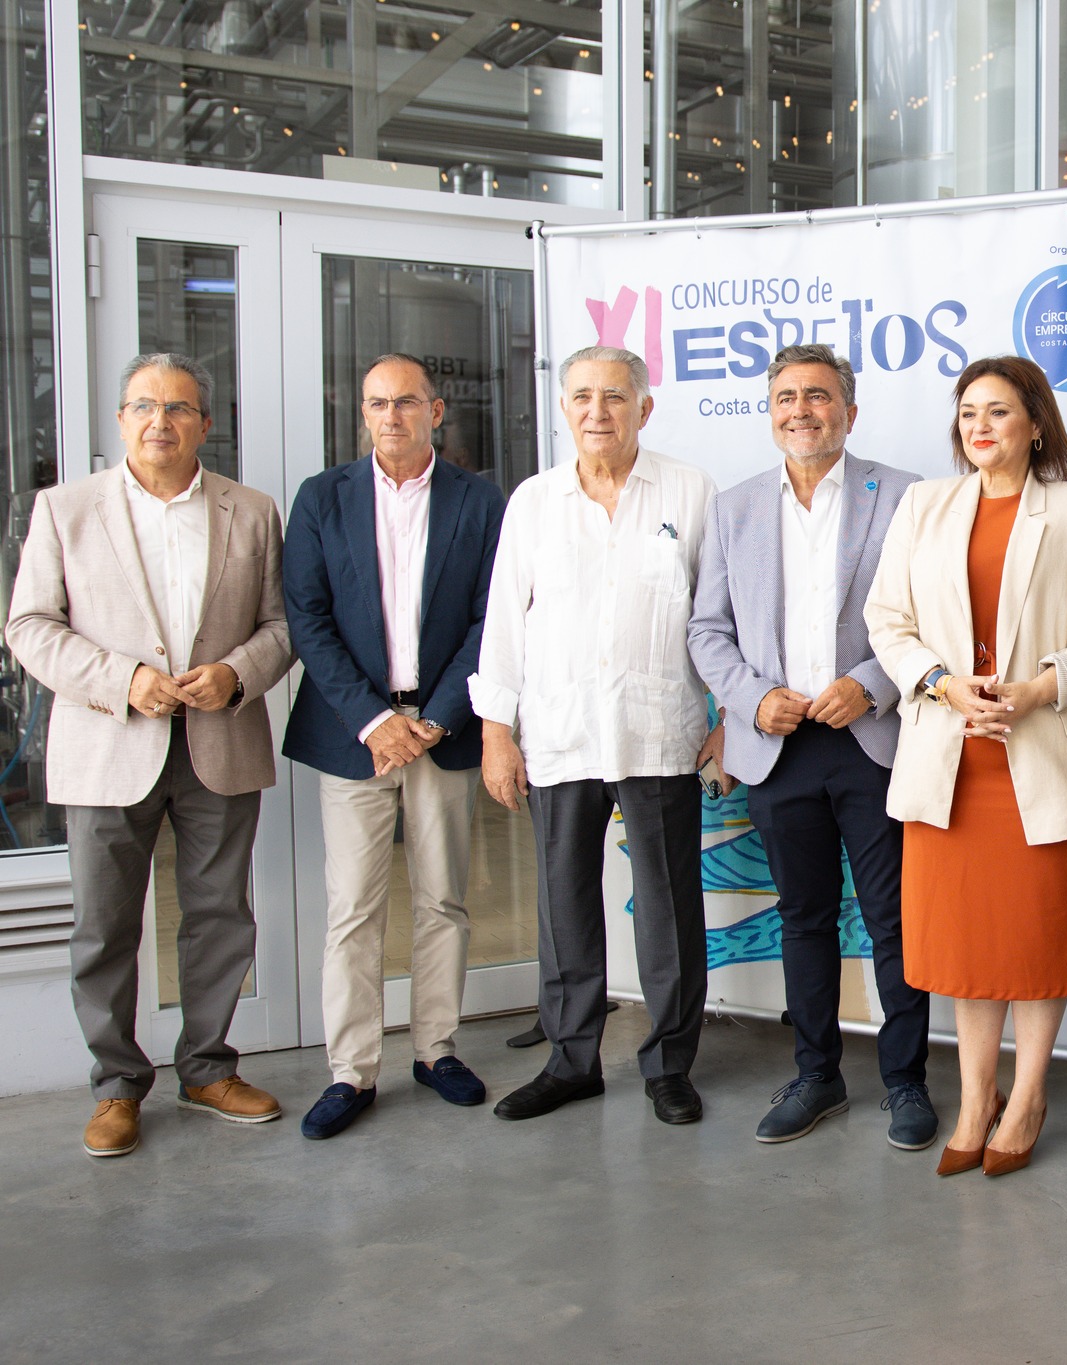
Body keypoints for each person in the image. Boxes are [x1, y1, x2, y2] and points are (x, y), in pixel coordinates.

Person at [4, 352, 295, 1157]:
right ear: (121, 420)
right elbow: (28, 626)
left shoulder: (251, 510)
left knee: (220, 916)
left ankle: (207, 1068)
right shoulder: (66, 509)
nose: (159, 421)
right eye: (144, 406)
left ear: (205, 424)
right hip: (107, 744)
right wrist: (123, 680)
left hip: (218, 742)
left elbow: (282, 625)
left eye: (178, 408)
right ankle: (116, 1085)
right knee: (103, 925)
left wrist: (236, 674)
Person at [865, 354, 1067, 1177]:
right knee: (967, 941)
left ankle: (1029, 1094)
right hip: (949, 760)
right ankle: (977, 1096)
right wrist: (943, 684)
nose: (979, 426)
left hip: (1041, 757)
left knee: (1037, 935)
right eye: (968, 412)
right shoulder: (923, 504)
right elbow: (887, 619)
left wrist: (1036, 688)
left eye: (999, 411)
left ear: (1036, 424)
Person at [688, 344, 934, 1150]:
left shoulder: (902, 495)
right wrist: (752, 699)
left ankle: (906, 1081)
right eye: (787, 397)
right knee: (804, 918)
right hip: (776, 745)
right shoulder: (734, 508)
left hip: (870, 740)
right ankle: (816, 1074)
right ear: (771, 413)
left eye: (819, 396)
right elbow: (707, 630)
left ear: (849, 412)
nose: (802, 410)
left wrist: (872, 682)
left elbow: (932, 615)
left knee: (894, 921)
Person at [469, 345, 721, 1126]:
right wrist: (496, 732)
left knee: (669, 905)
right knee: (564, 902)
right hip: (559, 731)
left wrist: (725, 724)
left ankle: (669, 1064)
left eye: (613, 396)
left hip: (659, 730)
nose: (596, 411)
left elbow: (717, 618)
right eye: (581, 396)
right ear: (563, 408)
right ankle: (570, 1060)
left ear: (644, 408)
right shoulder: (534, 502)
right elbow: (504, 625)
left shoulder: (690, 489)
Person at [281, 353, 507, 1139]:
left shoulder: (479, 501)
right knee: (353, 907)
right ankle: (351, 1069)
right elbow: (307, 618)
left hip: (442, 729)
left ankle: (436, 1049)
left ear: (435, 411)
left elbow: (491, 620)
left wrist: (437, 718)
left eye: (406, 402)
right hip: (357, 735)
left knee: (444, 898)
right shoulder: (322, 498)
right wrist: (375, 720)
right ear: (363, 412)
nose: (391, 416)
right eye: (377, 403)